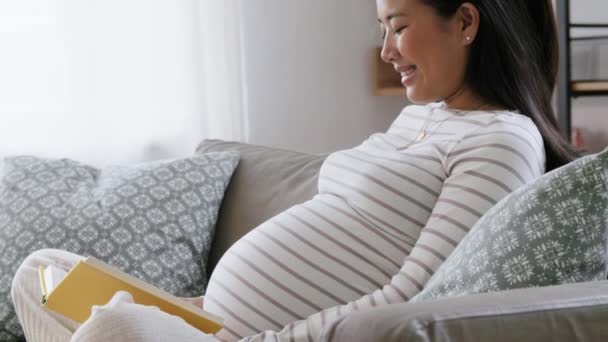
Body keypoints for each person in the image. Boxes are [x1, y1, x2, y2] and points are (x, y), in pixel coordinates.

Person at [11, 0, 579, 341]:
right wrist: (197, 310)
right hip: (218, 321)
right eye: (381, 29)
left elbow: (416, 296)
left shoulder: (502, 142)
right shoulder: (421, 118)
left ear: (466, 22)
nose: (385, 50)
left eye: (398, 26)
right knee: (41, 272)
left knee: (114, 330)